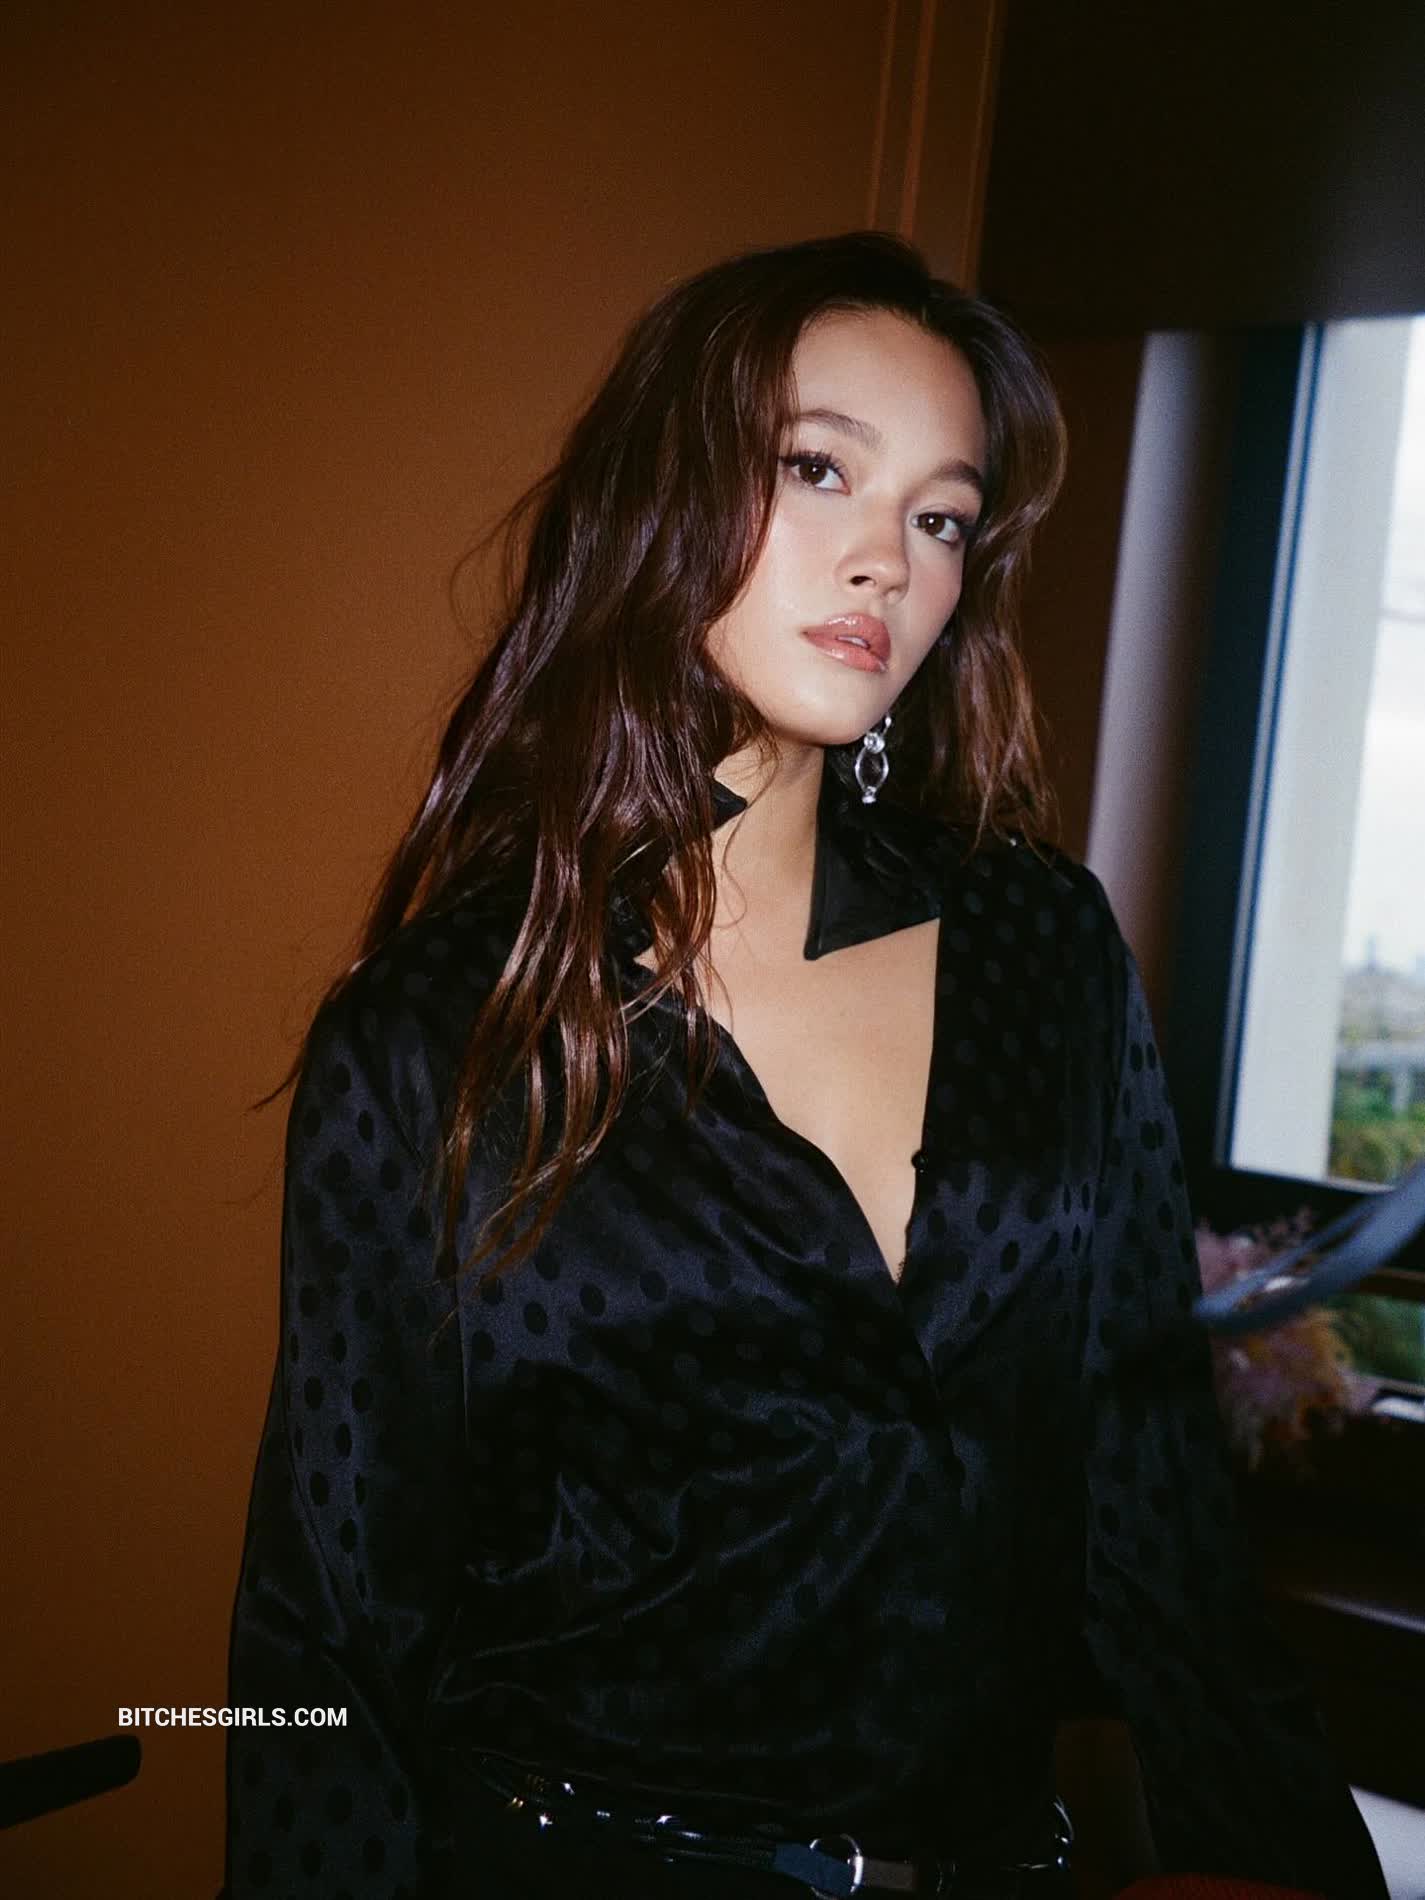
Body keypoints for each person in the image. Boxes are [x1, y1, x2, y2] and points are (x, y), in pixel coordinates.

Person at [222, 232, 1386, 1899]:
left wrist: (1279, 1856)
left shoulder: (1041, 949)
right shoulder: (438, 1035)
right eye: (817, 469)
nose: (885, 562)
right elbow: (330, 1628)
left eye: (940, 517)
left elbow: (1152, 1497)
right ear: (665, 494)